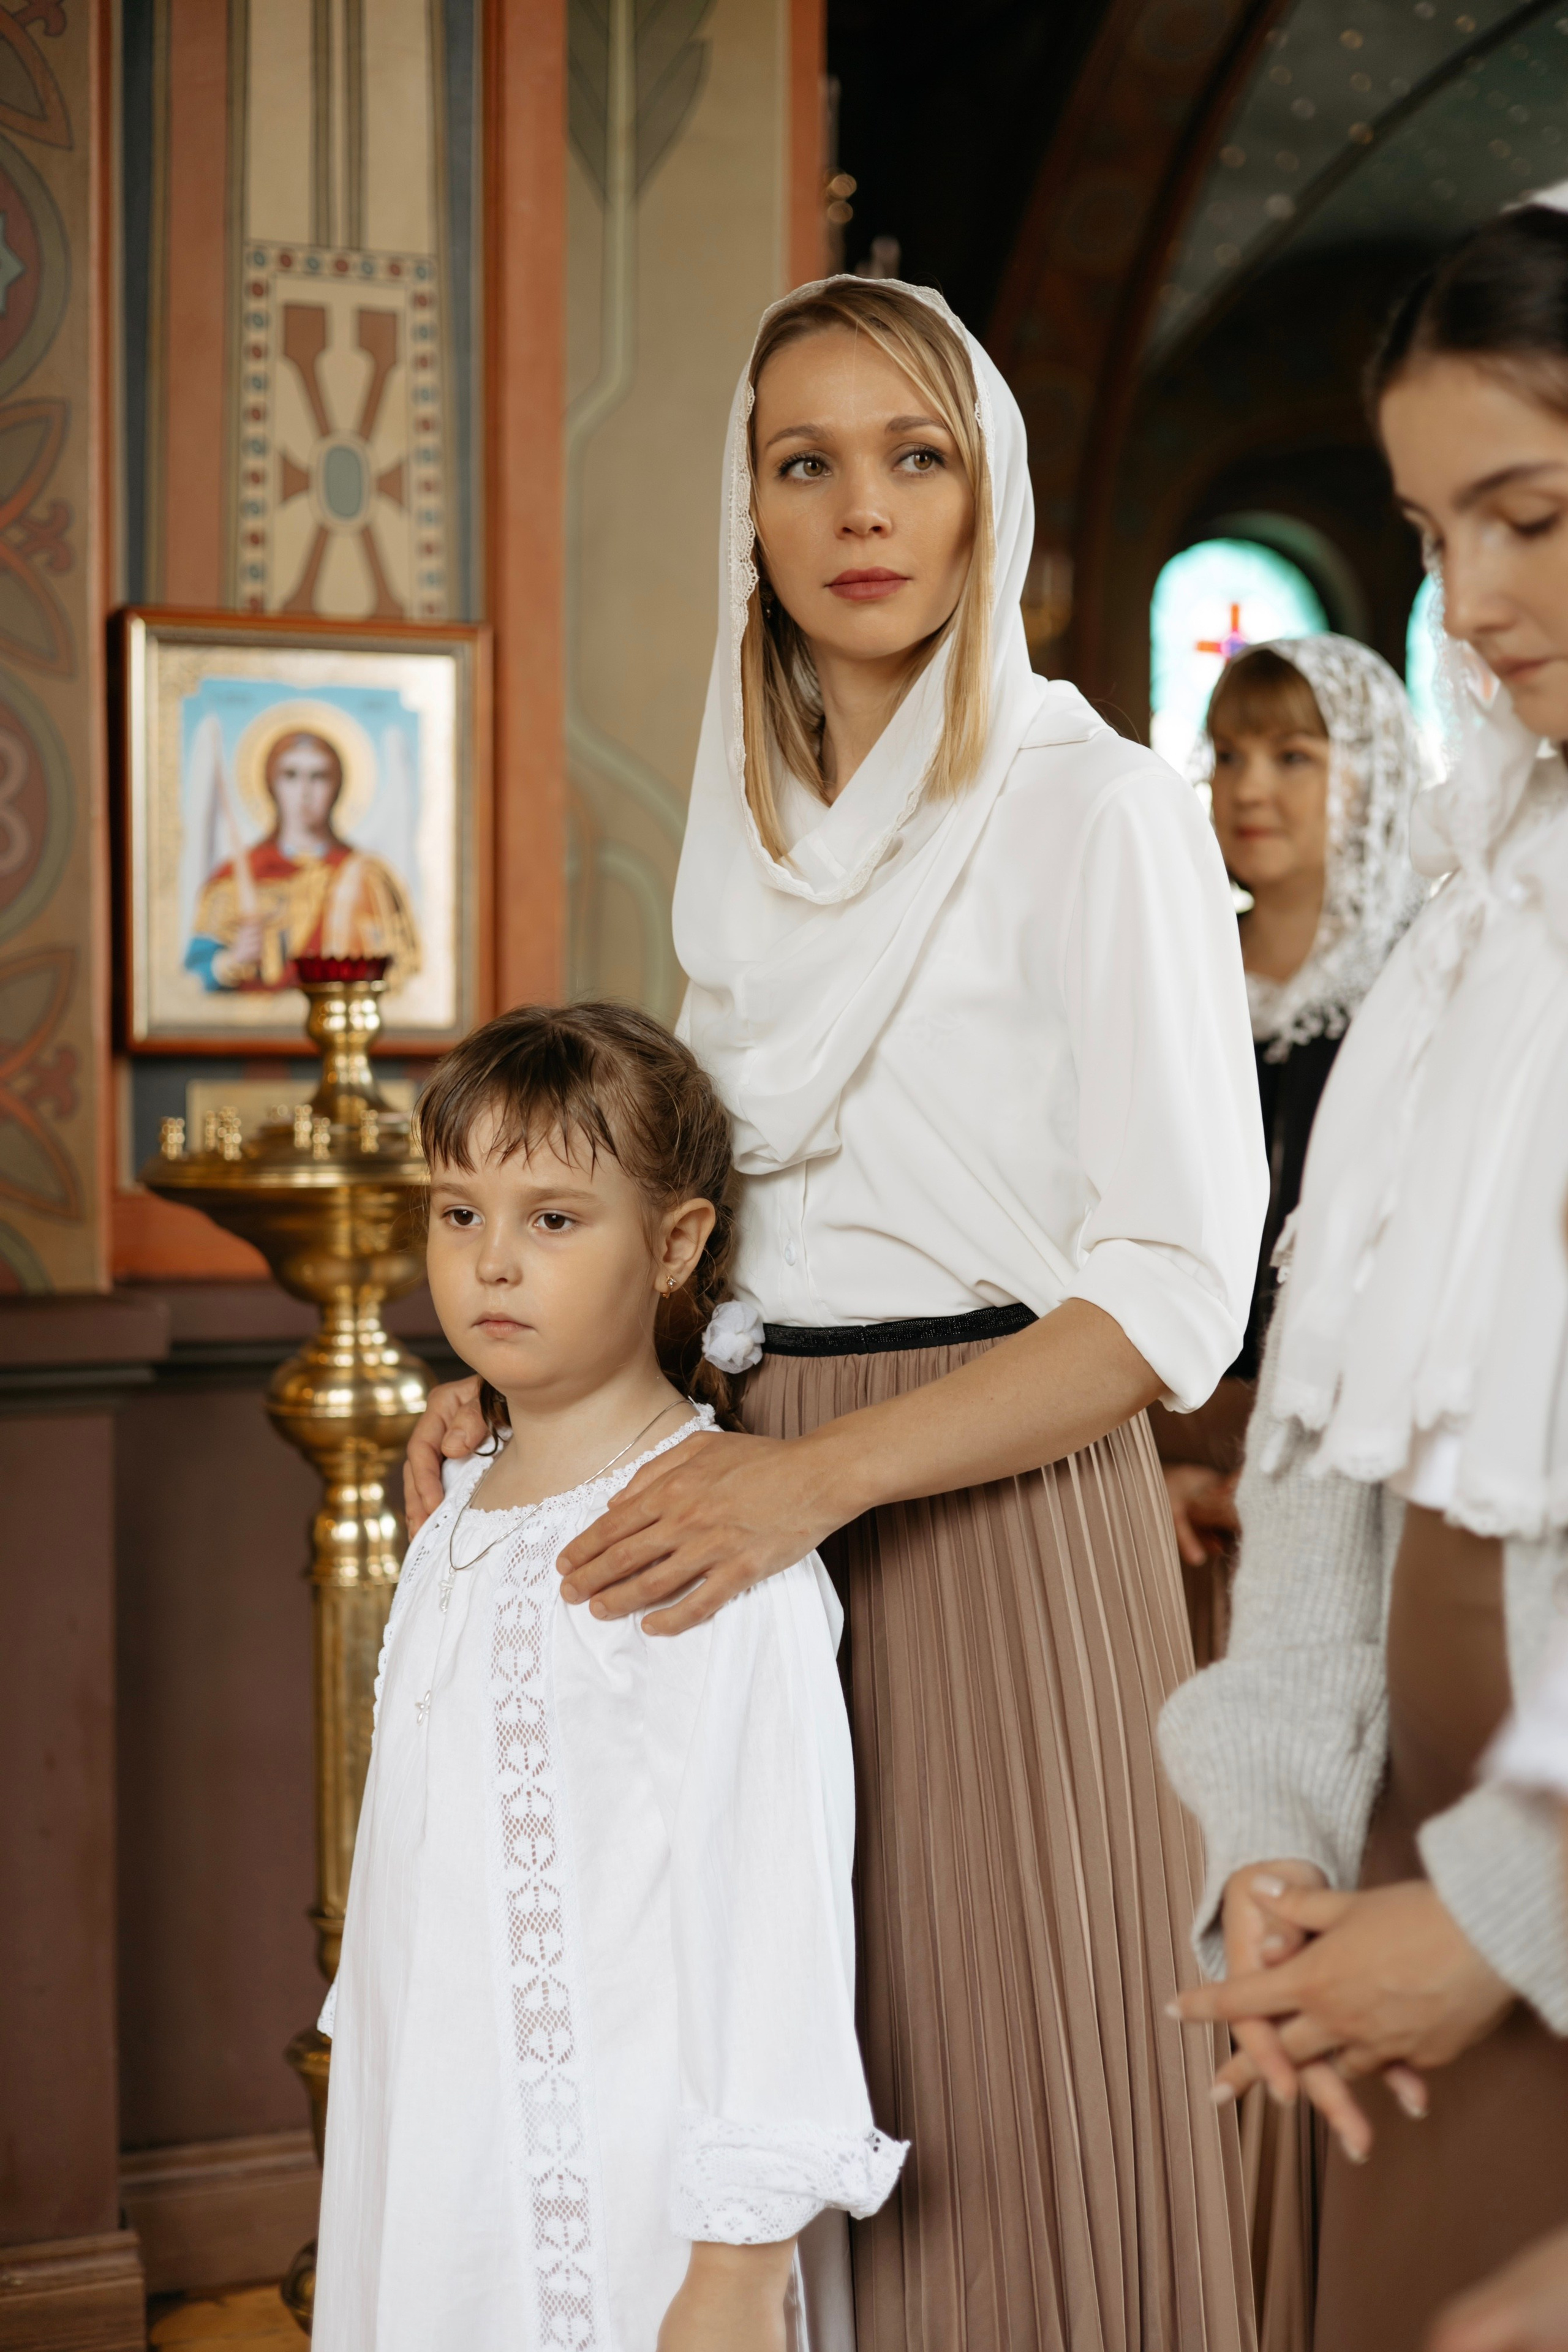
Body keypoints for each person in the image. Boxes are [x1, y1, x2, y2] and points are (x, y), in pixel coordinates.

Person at [404, 276, 1266, 2348]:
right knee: (741, 2118)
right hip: (745, 1487)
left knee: (996, 2120)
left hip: (996, 1511)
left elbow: (1175, 1291)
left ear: (994, 502)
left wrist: (826, 1485)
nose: (860, 508)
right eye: (805, 462)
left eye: (918, 456)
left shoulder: (1102, 811)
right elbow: (732, 1245)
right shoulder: (749, 847)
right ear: (752, 515)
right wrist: (532, 1394)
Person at [1159, 189, 1568, 2352]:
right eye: (1431, 535)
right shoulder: (1472, 942)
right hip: (1398, 1886)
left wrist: (1509, 1915)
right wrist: (1281, 1830)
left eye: (1533, 513)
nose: (1477, 600)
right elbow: (1327, 1455)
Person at [313, 1002, 903, 2352]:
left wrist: (740, 2265)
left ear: (676, 1243)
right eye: (457, 1215)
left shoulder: (702, 1542)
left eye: (554, 1220)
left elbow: (770, 1912)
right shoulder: (454, 1504)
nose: (492, 1265)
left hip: (620, 2199)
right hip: (439, 2164)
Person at [1156, 636, 1428, 1662]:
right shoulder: (1175, 970)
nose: (1248, 788)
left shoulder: (1425, 985)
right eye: (1227, 756)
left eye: (1292, 756)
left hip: (1359, 1460)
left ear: (1372, 771)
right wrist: (1157, 1469)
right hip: (1165, 1446)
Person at [186, 727, 419, 991]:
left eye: (319, 777)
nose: (305, 791)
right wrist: (231, 960)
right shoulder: (236, 877)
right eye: (290, 775)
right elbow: (193, 974)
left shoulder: (366, 876)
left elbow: (402, 969)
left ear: (337, 786)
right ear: (271, 783)